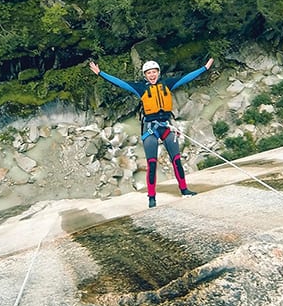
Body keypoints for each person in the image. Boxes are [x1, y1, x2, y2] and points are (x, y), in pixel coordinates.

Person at [89, 57, 214, 208]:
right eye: (149, 73)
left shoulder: (167, 84)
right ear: (145, 75)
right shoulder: (141, 88)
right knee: (152, 164)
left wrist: (204, 68)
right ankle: (152, 197)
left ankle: (184, 190)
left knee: (176, 160)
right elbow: (121, 83)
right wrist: (101, 73)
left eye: (154, 72)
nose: (152, 75)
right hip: (150, 129)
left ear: (158, 73)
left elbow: (186, 78)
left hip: (166, 126)